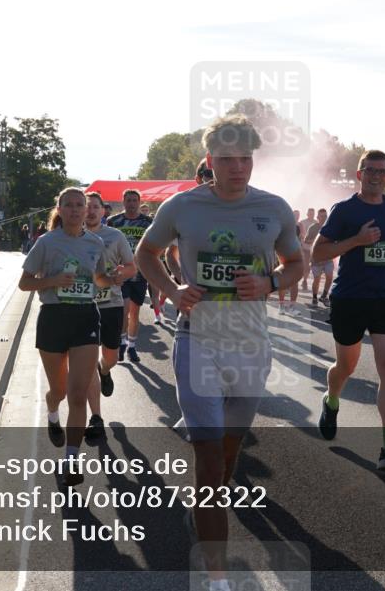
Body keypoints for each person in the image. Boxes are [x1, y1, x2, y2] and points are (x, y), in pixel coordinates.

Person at [135, 115, 303, 591]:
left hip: (251, 347)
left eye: (245, 159)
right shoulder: (182, 206)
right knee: (208, 463)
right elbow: (146, 253)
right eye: (227, 159)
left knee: (227, 459)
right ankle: (217, 578)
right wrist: (173, 289)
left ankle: (205, 512)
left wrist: (269, 282)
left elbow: (296, 263)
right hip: (198, 343)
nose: (238, 168)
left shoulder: (273, 207)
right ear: (210, 161)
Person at [312, 149, 385, 471]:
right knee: (346, 367)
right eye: (370, 170)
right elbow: (318, 253)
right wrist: (356, 241)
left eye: (382, 171)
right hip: (350, 298)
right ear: (360, 175)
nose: (376, 176)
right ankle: (331, 400)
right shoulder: (344, 210)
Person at [18, 188, 112, 486]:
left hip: (85, 317)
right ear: (59, 209)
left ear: (87, 210)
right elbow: (24, 283)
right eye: (68, 205)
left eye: (79, 205)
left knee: (78, 394)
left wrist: (114, 277)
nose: (74, 210)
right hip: (53, 318)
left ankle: (71, 460)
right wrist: (53, 280)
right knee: (58, 391)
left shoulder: (96, 243)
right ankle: (52, 411)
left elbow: (99, 278)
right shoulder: (46, 242)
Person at [83, 192, 136, 439]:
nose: (91, 211)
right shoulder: (72, 236)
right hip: (82, 307)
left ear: (103, 211)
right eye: (87, 207)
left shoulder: (115, 236)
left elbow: (132, 266)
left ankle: (104, 371)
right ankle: (96, 417)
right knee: (87, 363)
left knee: (111, 357)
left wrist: (119, 275)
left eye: (95, 207)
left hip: (111, 304)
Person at [107, 189, 153, 363]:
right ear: (123, 202)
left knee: (134, 312)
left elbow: (154, 246)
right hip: (120, 273)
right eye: (129, 200)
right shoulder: (114, 221)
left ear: (139, 202)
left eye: (135, 200)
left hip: (140, 274)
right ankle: (122, 343)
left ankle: (131, 346)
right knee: (124, 310)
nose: (132, 204)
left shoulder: (148, 222)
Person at [305, 208, 332, 306]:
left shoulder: (331, 226)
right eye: (322, 216)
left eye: (325, 216)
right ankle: (314, 298)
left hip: (328, 257)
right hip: (316, 258)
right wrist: (317, 241)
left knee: (329, 277)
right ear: (317, 217)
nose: (324, 218)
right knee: (317, 279)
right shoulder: (313, 227)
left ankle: (324, 296)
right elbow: (306, 241)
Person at [299, 207, 317, 290]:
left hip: (312, 248)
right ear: (307, 214)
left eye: (312, 214)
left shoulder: (316, 223)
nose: (311, 215)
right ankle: (297, 280)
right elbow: (299, 234)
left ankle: (304, 280)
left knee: (308, 266)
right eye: (310, 213)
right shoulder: (302, 222)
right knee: (302, 265)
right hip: (303, 247)